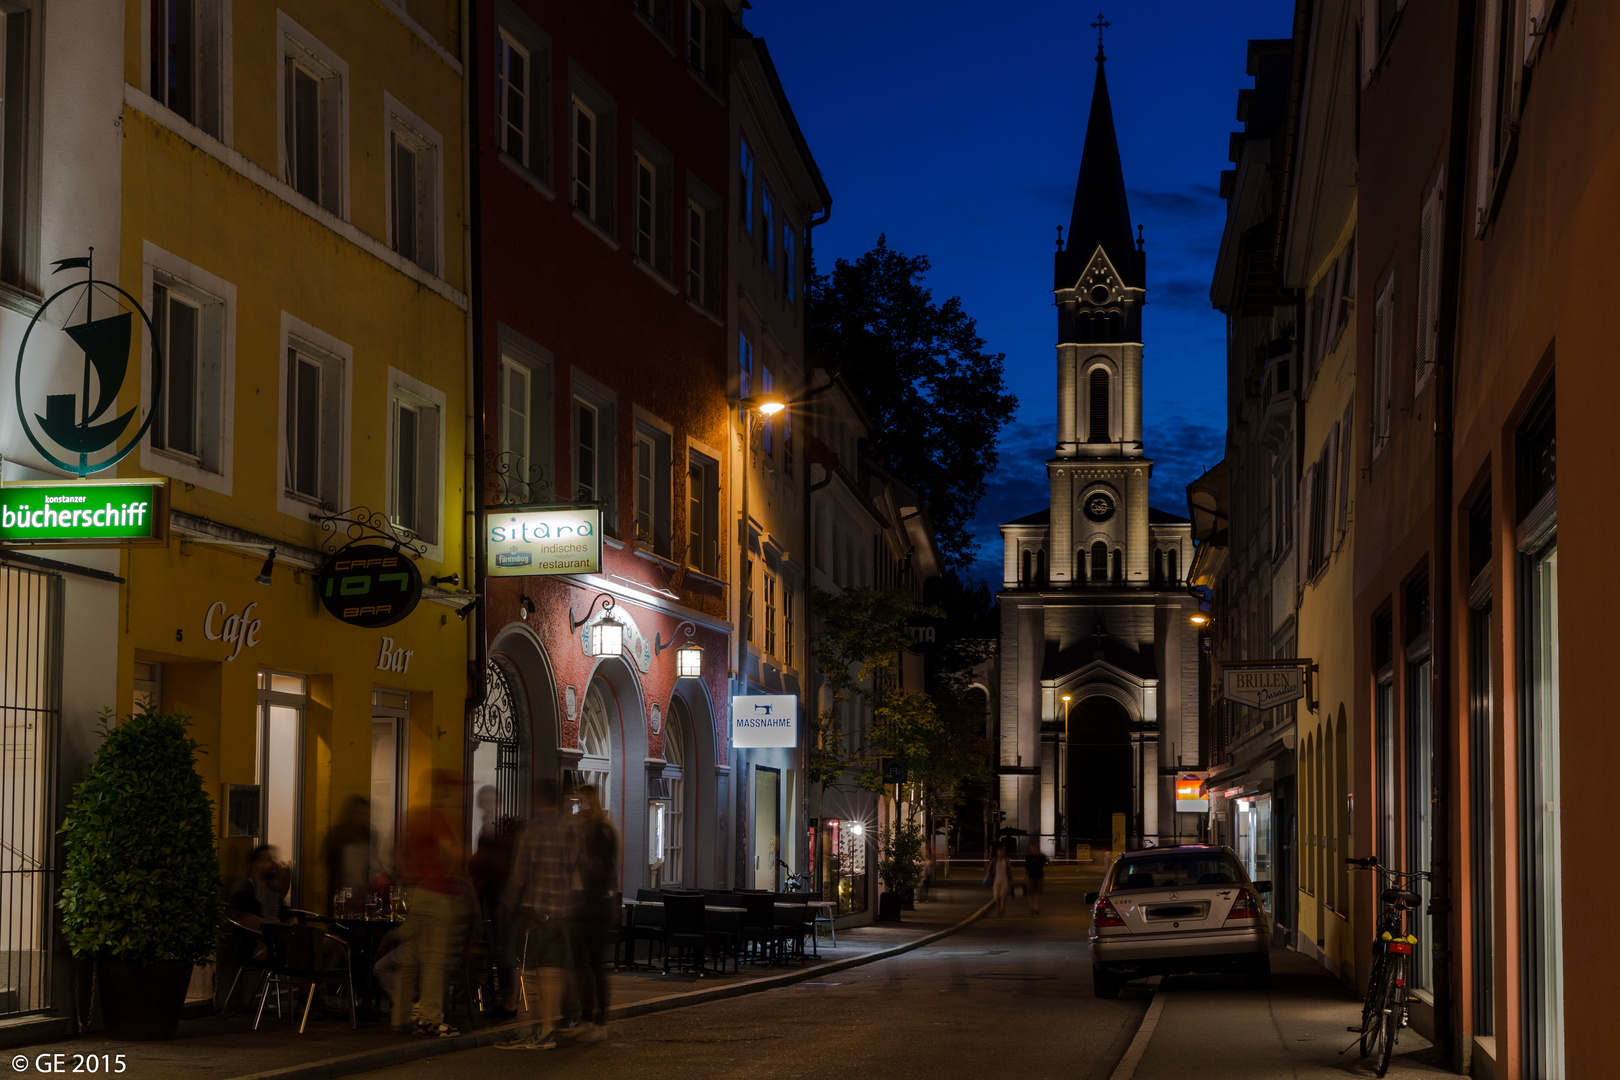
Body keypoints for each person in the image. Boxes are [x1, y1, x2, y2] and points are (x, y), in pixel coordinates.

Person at [499, 779, 575, 1051]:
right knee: (552, 973)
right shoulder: (569, 829)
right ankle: (547, 1028)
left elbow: (520, 873)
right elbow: (577, 870)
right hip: (561, 913)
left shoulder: (532, 830)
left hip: (535, 913)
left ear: (538, 799)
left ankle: (530, 1027)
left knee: (528, 973)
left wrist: (507, 902)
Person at [391, 769, 467, 1038]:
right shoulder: (435, 817)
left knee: (409, 958)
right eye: (450, 790)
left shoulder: (408, 816)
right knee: (434, 960)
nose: (453, 796)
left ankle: (400, 1017)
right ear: (441, 791)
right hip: (434, 894)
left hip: (410, 892)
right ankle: (430, 1019)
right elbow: (451, 851)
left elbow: (395, 856)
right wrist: (450, 876)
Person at [567, 785, 618, 1043]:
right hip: (579, 901)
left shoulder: (602, 831)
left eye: (583, 801)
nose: (579, 807)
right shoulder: (579, 830)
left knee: (595, 965)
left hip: (595, 902)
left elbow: (605, 870)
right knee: (580, 965)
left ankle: (599, 1022)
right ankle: (586, 1019)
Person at [467, 784, 520, 1019]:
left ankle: (509, 1003)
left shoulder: (499, 829)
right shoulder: (489, 828)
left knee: (503, 951)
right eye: (484, 800)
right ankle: (504, 1000)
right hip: (491, 894)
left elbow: (496, 864)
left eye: (491, 800)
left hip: (500, 896)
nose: (487, 805)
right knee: (499, 951)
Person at [321, 795, 377, 913]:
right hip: (342, 895)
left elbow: (371, 866)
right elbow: (329, 864)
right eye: (358, 813)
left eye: (365, 814)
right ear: (350, 814)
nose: (361, 817)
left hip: (362, 896)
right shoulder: (337, 836)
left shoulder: (369, 837)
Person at [1024, 848, 1049, 916]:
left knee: (1038, 893)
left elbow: (1047, 862)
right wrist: (1025, 876)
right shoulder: (1029, 857)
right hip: (1031, 877)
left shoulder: (1041, 856)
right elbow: (1026, 867)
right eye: (1032, 849)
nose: (1033, 851)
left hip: (1039, 877)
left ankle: (1036, 907)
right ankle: (1032, 907)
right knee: (1031, 893)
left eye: (1034, 849)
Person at [991, 842, 1011, 916]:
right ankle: (998, 909)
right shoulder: (994, 860)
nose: (1000, 853)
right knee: (996, 896)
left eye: (1001, 852)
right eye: (999, 852)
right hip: (996, 880)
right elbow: (990, 869)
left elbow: (1009, 870)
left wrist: (1010, 880)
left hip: (1004, 880)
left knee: (1003, 895)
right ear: (997, 852)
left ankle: (1002, 909)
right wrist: (990, 877)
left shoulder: (1006, 860)